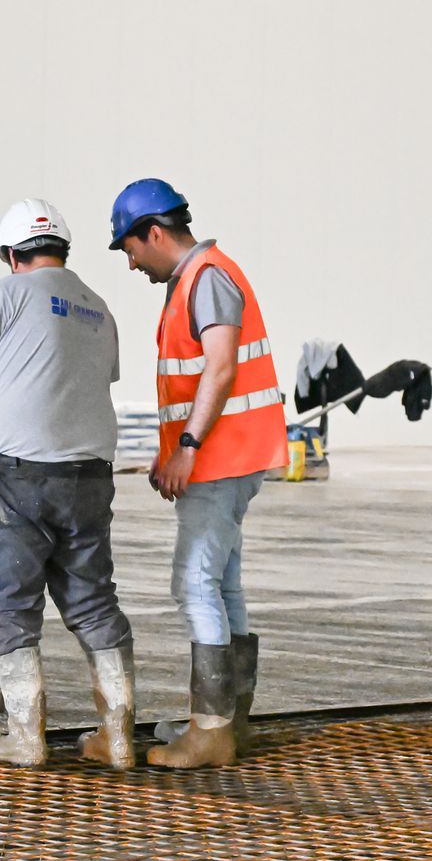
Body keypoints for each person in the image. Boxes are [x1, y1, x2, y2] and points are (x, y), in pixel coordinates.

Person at [0, 199, 134, 770]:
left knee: (10, 604)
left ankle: (26, 737)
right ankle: (118, 738)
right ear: (64, 250)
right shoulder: (98, 307)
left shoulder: (10, 292)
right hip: (91, 477)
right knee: (95, 602)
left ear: (10, 255)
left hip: (20, 477)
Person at [109, 178, 285, 769]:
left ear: (153, 232)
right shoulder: (198, 277)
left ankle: (210, 732)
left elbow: (221, 366)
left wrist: (186, 446)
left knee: (194, 582)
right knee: (223, 584)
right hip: (231, 455)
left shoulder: (206, 277)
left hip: (219, 458)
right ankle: (230, 720)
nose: (131, 262)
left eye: (130, 248)